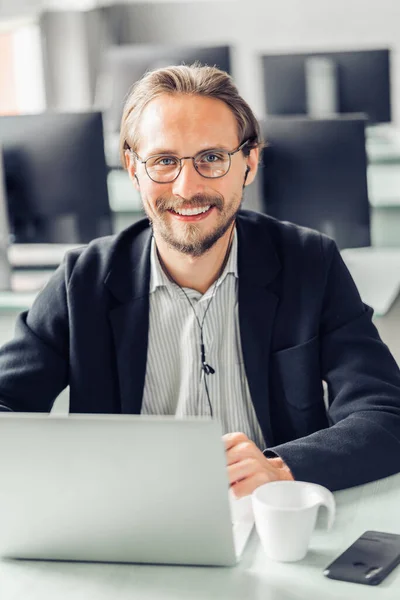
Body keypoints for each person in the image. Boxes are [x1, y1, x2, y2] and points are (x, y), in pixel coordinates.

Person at [0, 64, 400, 498]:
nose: (187, 187)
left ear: (249, 163)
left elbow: (384, 414)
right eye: (164, 161)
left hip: (266, 515)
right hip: (128, 515)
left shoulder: (310, 262)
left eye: (211, 158)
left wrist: (281, 467)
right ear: (134, 169)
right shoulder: (82, 280)